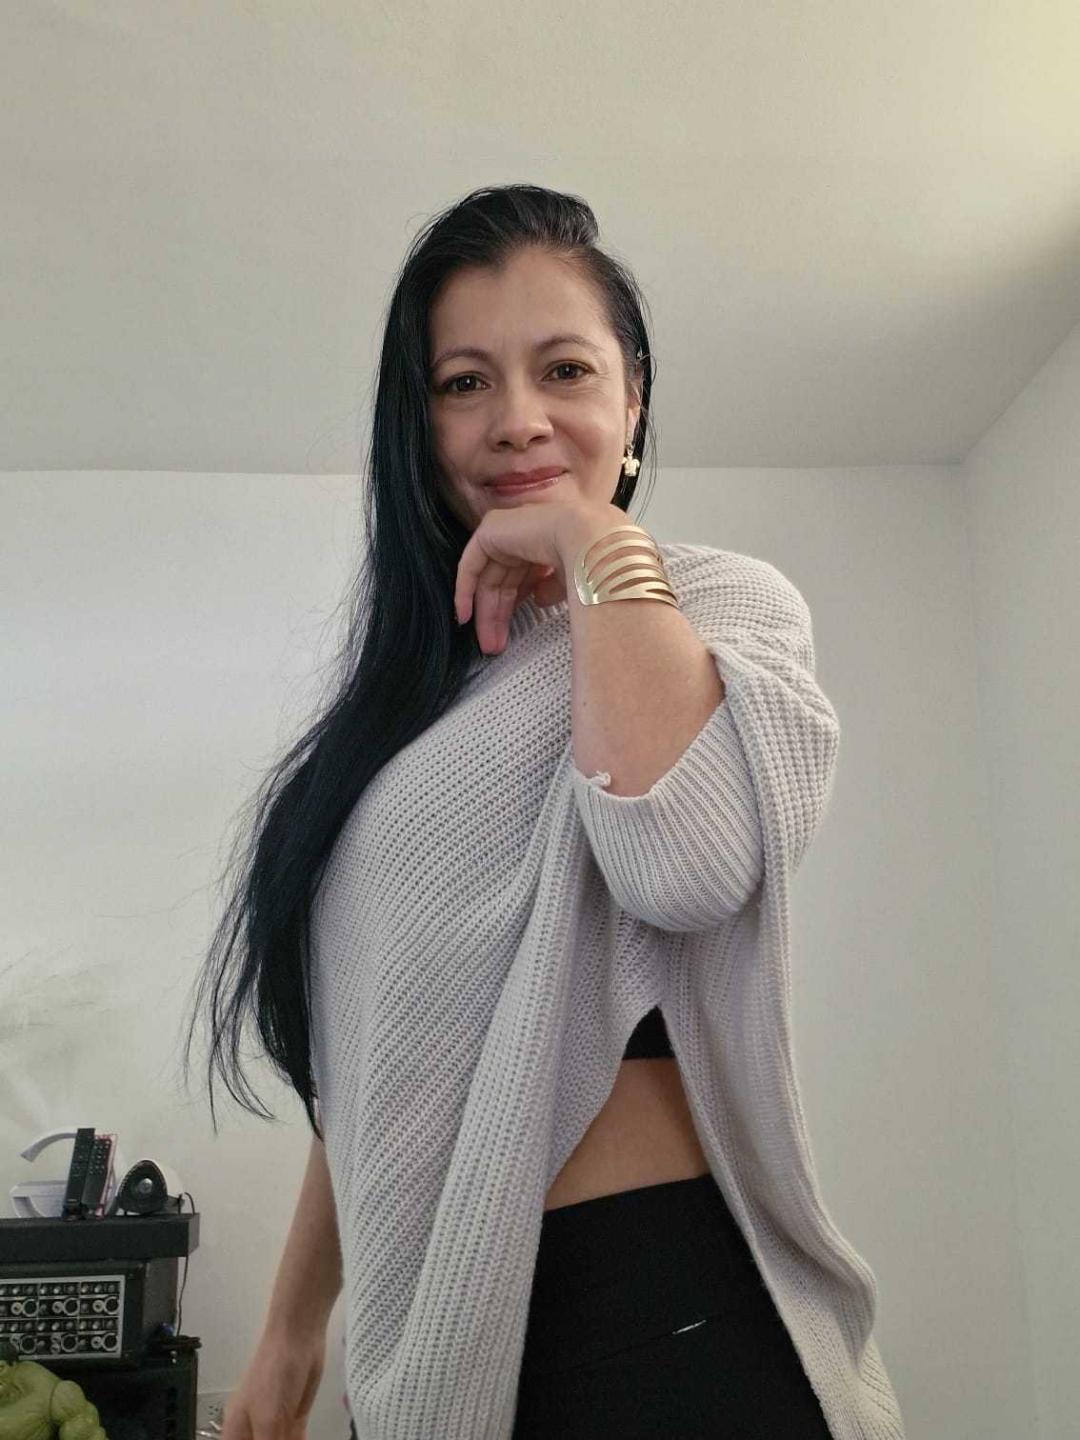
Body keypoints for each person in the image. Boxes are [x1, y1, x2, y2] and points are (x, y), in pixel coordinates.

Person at [185, 183, 906, 1439]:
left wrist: (592, 538)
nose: (516, 417)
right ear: (419, 425)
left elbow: (685, 862)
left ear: (633, 400)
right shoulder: (404, 708)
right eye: (464, 382)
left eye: (564, 370)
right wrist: (293, 1333)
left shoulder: (718, 602)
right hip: (427, 1343)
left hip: (653, 1314)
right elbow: (380, 1059)